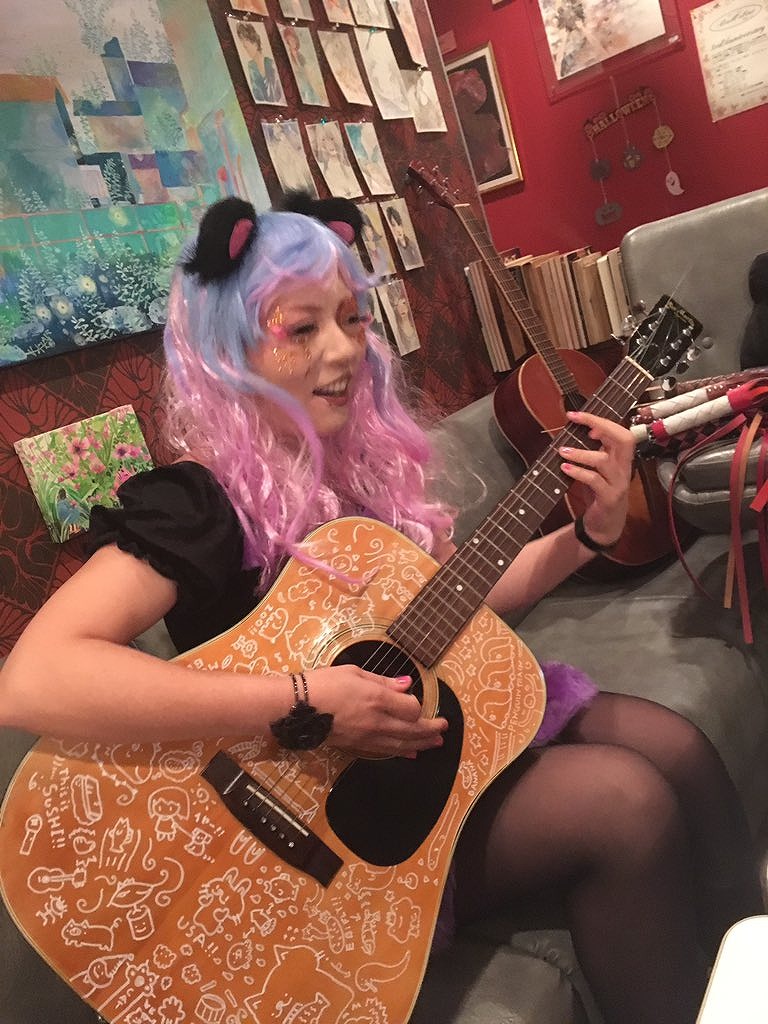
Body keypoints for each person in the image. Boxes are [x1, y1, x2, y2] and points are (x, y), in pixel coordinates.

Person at [0, 193, 761, 1024]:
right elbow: (33, 680)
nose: (343, 350)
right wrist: (304, 699)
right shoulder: (199, 506)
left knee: (678, 748)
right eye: (301, 328)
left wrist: (588, 535)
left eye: (352, 319)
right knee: (626, 807)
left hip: (429, 746)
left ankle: (742, 977)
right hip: (328, 835)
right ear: (229, 351)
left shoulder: (363, 467)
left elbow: (464, 597)